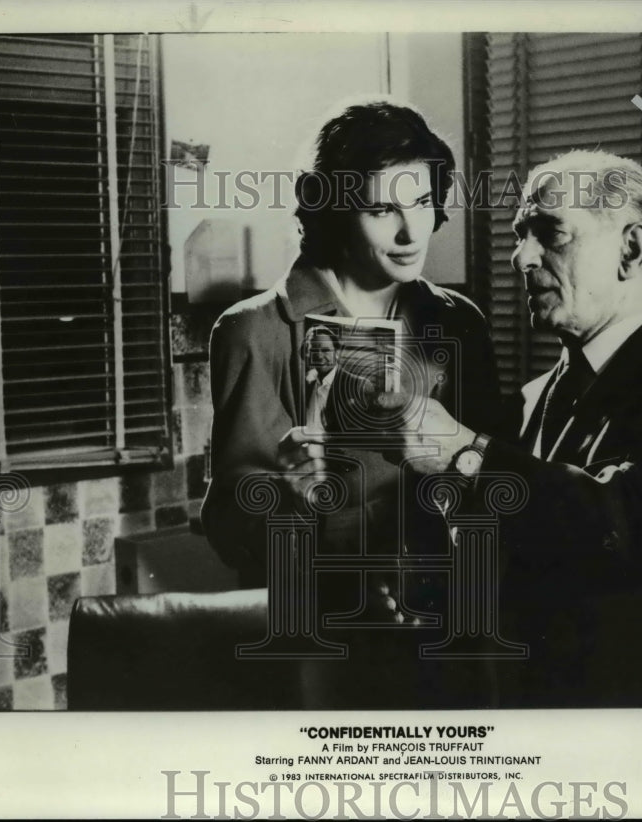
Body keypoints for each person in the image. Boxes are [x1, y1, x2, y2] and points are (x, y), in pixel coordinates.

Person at [363, 149, 642, 707]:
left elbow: (631, 527)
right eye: (520, 236)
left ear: (631, 249)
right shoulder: (529, 402)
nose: (521, 257)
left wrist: (461, 453)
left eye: (550, 233)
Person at [200, 99, 503, 708]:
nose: (411, 233)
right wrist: (287, 493)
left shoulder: (459, 321)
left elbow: (496, 486)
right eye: (382, 209)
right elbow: (230, 530)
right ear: (334, 210)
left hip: (452, 633)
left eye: (422, 203)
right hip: (323, 647)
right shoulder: (253, 331)